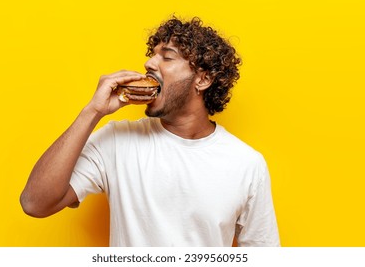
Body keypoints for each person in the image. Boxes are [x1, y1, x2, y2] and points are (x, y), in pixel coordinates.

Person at [20, 17, 280, 247]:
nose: (148, 63)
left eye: (167, 57)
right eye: (152, 55)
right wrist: (93, 111)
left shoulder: (246, 164)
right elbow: (35, 204)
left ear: (203, 79)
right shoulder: (117, 141)